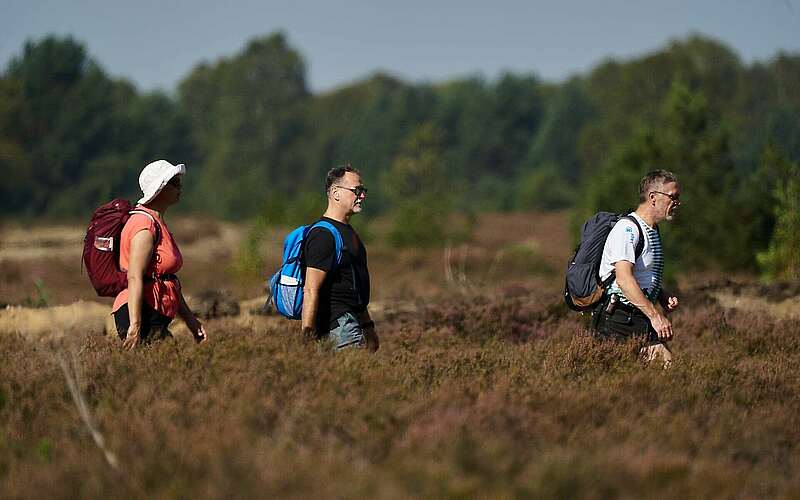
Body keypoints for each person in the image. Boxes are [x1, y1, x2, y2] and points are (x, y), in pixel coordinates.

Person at [111, 159, 207, 349]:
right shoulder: (144, 226)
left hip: (156, 315)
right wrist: (135, 326)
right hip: (143, 315)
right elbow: (134, 276)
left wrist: (191, 321)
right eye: (174, 183)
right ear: (160, 189)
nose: (180, 187)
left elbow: (166, 280)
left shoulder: (157, 222)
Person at [592, 170, 681, 366]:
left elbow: (641, 275)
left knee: (665, 374)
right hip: (618, 319)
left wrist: (661, 294)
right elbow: (624, 280)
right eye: (673, 197)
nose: (677, 202)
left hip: (638, 315)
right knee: (665, 371)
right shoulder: (627, 229)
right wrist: (656, 316)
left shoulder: (652, 230)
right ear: (653, 198)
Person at [301, 165, 378, 352]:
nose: (362, 196)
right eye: (356, 190)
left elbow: (354, 289)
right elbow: (310, 290)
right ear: (335, 193)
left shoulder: (349, 233)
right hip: (339, 329)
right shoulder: (323, 235)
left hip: (350, 325)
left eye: (363, 190)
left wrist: (368, 328)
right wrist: (307, 338)